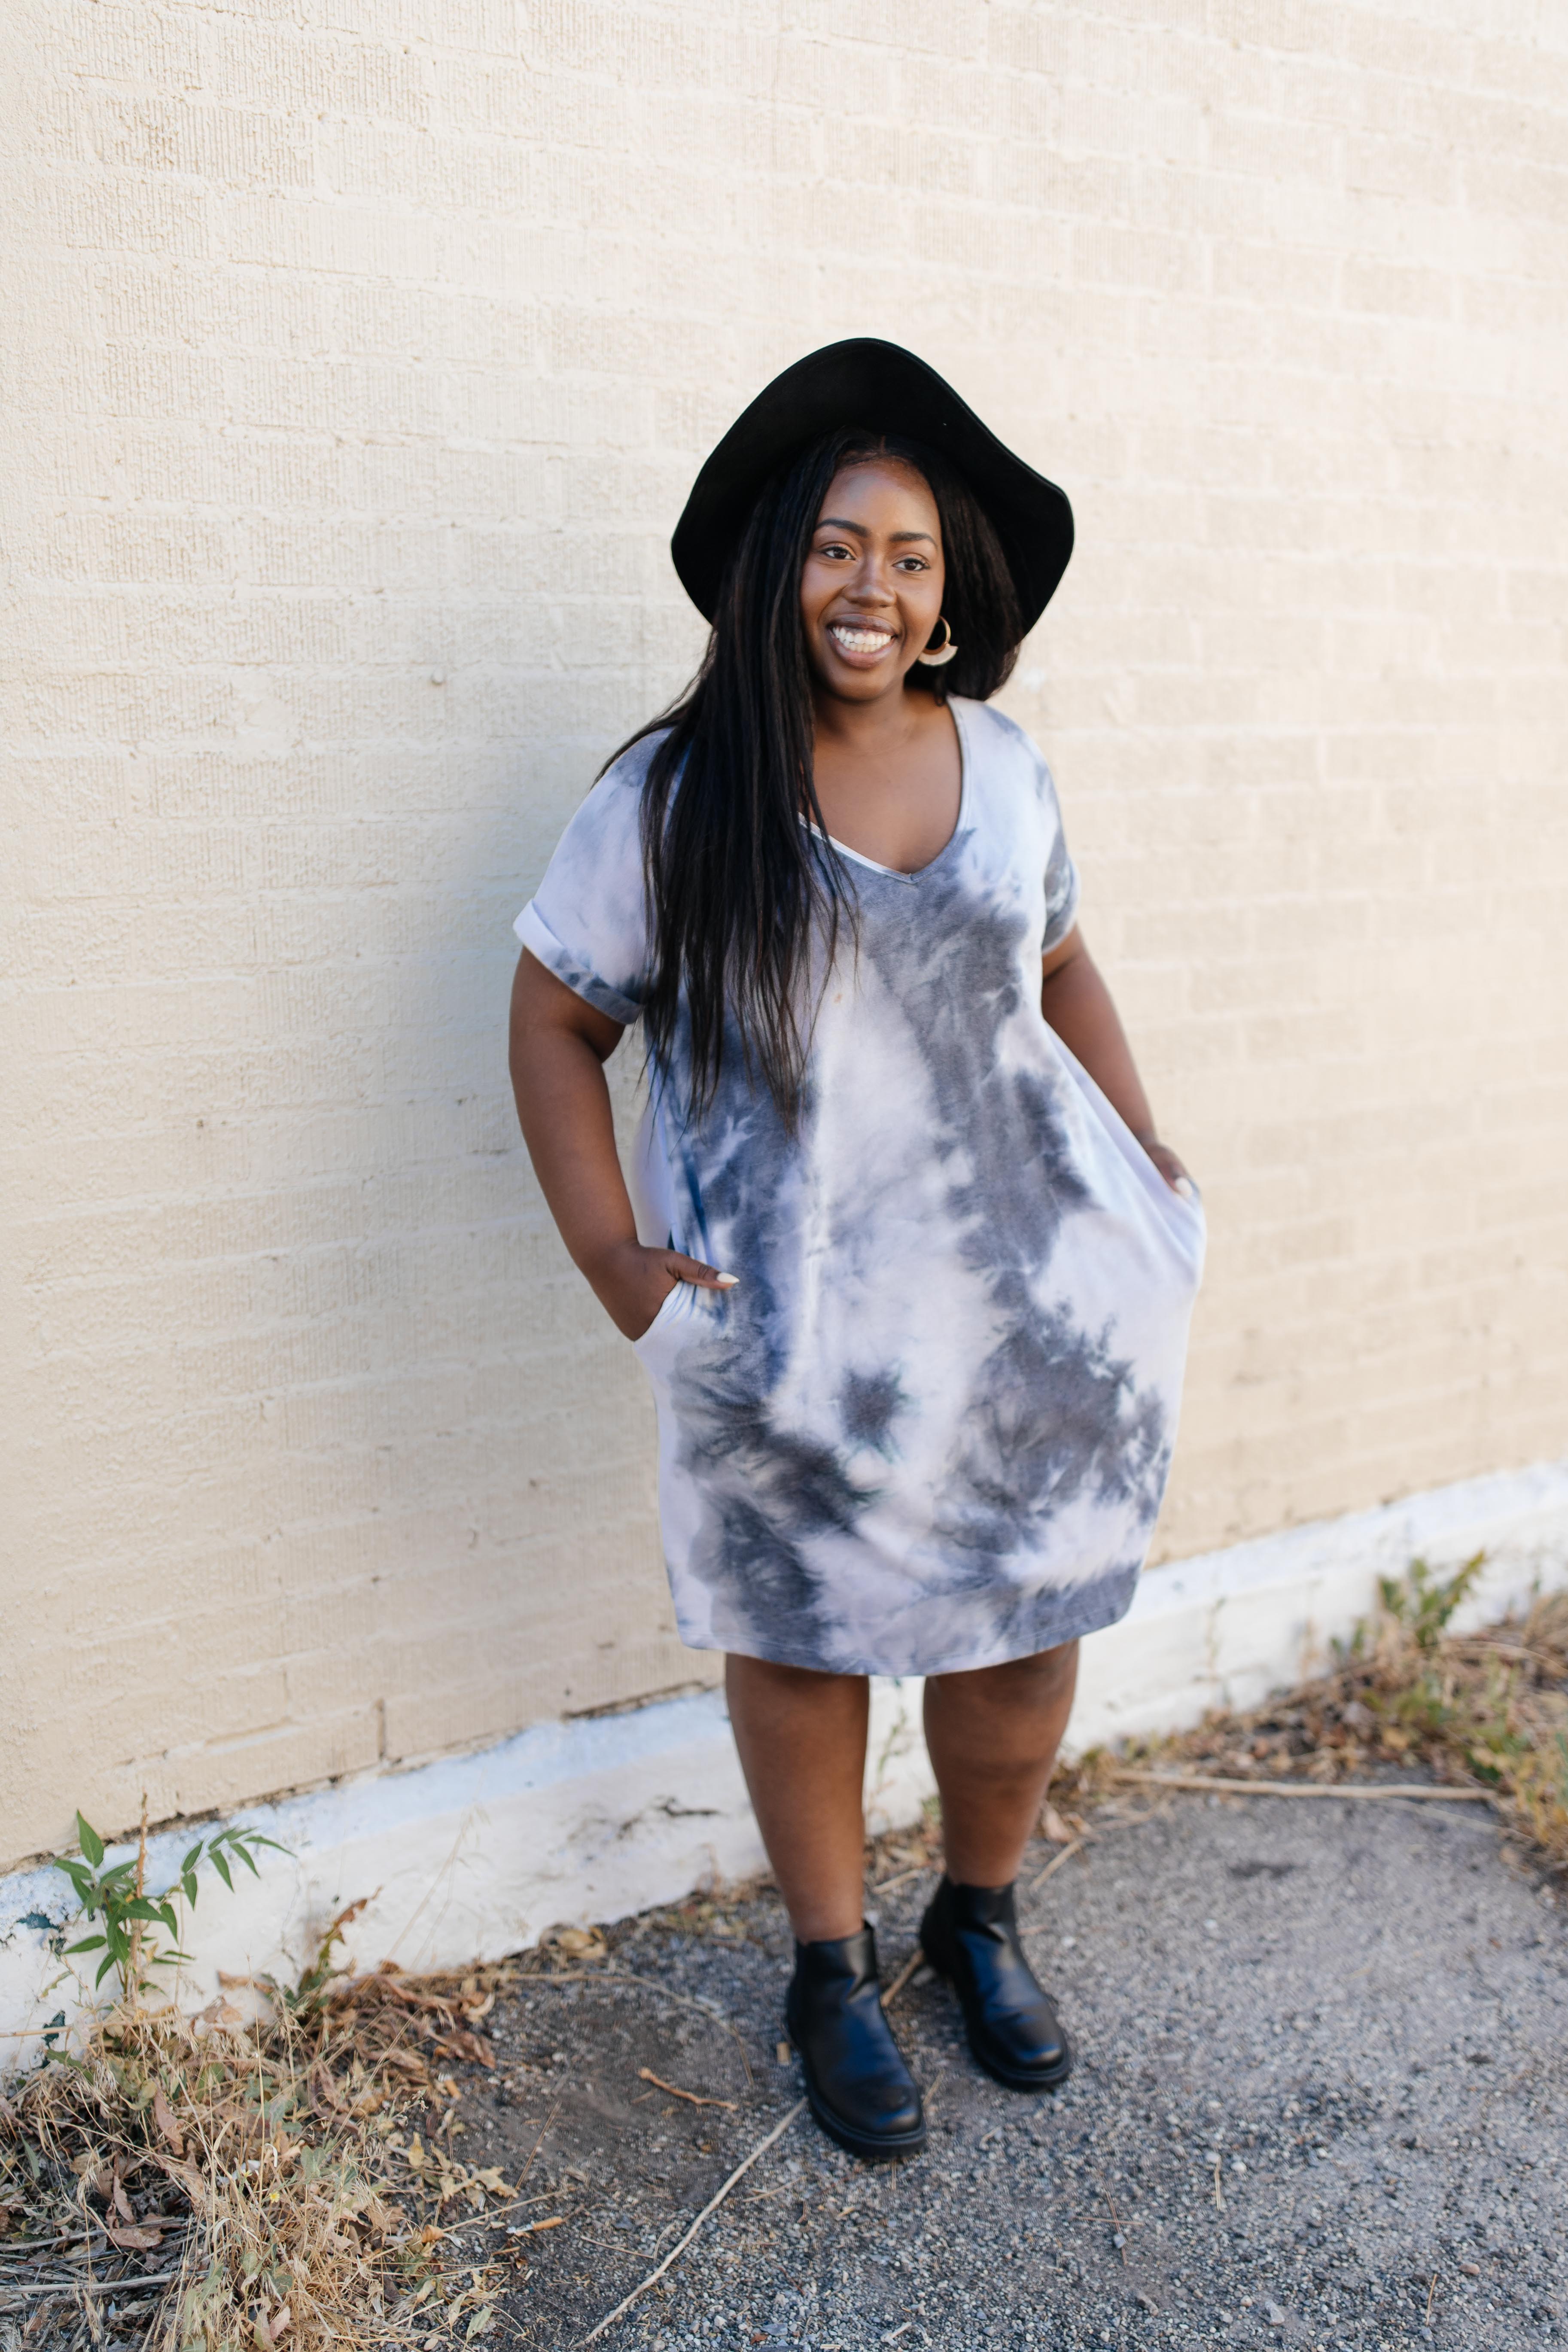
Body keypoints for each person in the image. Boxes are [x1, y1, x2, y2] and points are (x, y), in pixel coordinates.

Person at [508, 340, 1204, 2162]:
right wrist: (620, 1264)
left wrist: (1139, 1147)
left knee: (1023, 1637)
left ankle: (978, 1915)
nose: (869, 585)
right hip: (790, 1335)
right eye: (833, 546)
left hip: (1029, 1319)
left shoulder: (1008, 768)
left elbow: (1057, 965)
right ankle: (829, 1963)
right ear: (770, 572)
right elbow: (554, 1018)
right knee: (806, 1644)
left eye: (904, 554)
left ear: (949, 593)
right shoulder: (676, 794)